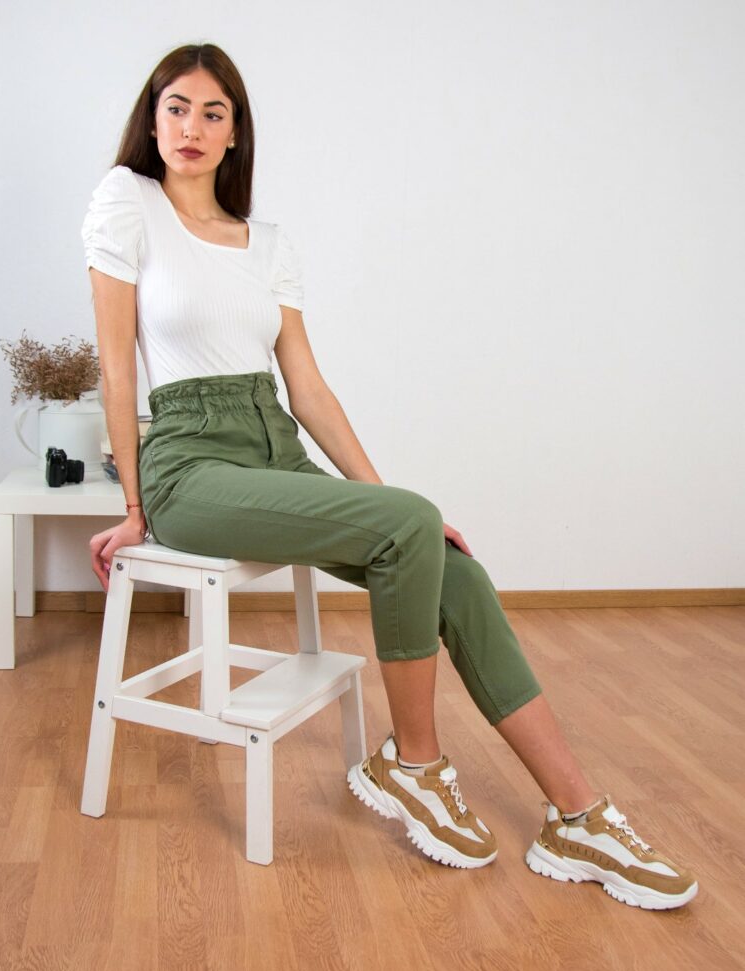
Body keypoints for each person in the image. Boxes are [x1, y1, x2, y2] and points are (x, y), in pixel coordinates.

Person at [81, 42, 698, 909]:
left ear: (235, 133)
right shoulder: (127, 201)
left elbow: (308, 388)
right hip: (190, 462)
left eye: (213, 112)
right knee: (413, 521)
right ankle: (415, 764)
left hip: (275, 445)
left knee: (452, 566)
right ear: (152, 121)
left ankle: (577, 814)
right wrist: (135, 505)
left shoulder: (268, 244)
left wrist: (385, 503)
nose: (192, 126)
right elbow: (115, 366)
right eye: (176, 107)